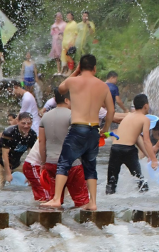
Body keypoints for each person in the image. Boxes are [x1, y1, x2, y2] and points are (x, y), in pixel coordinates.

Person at [42, 54, 114, 210]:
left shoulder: (73, 81)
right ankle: (93, 203)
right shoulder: (103, 86)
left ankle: (56, 199)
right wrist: (105, 130)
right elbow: (111, 110)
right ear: (95, 68)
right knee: (90, 166)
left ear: (81, 67)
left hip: (78, 128)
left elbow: (61, 89)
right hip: (94, 130)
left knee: (64, 163)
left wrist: (75, 72)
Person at [38, 89, 89, 207]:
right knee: (81, 201)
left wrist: (43, 162)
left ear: (55, 99)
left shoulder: (45, 117)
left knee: (55, 200)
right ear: (68, 100)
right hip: (72, 164)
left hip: (51, 162)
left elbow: (41, 142)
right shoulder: (73, 115)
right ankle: (83, 224)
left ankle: (54, 223)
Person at [106, 94, 159, 194]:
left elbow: (137, 139)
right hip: (128, 151)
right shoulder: (145, 119)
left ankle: (109, 202)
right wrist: (154, 159)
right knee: (140, 179)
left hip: (115, 148)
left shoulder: (128, 115)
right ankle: (145, 199)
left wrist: (148, 156)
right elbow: (146, 141)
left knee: (112, 181)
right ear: (146, 106)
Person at [0, 113, 37, 189]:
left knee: (33, 181)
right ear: (17, 121)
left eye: (29, 123)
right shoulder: (9, 133)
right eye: (23, 123)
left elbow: (31, 155)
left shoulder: (32, 135)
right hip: (0, 163)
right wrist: (8, 173)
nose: (26, 126)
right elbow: (5, 155)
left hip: (16, 164)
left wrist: (30, 174)